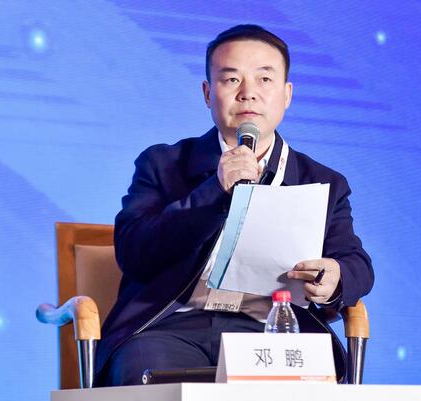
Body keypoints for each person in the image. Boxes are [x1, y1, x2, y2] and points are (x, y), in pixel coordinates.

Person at [95, 24, 374, 386]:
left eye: (264, 79)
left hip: (274, 329)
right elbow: (135, 253)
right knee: (149, 378)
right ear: (208, 93)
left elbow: (356, 263)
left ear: (287, 95)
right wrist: (214, 190)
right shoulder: (162, 164)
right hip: (169, 329)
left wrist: (335, 277)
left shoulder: (322, 182)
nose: (248, 94)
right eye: (231, 80)